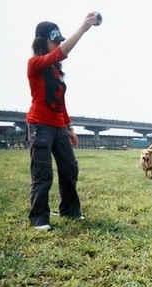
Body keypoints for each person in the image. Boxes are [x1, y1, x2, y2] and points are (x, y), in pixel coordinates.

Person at [25, 13, 99, 231]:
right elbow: (60, 53)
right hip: (39, 125)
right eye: (54, 40)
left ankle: (70, 210)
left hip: (59, 126)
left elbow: (61, 103)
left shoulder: (56, 71)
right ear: (42, 41)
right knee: (42, 173)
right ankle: (39, 217)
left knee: (69, 168)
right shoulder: (35, 64)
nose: (58, 44)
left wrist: (69, 128)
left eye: (59, 40)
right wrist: (83, 28)